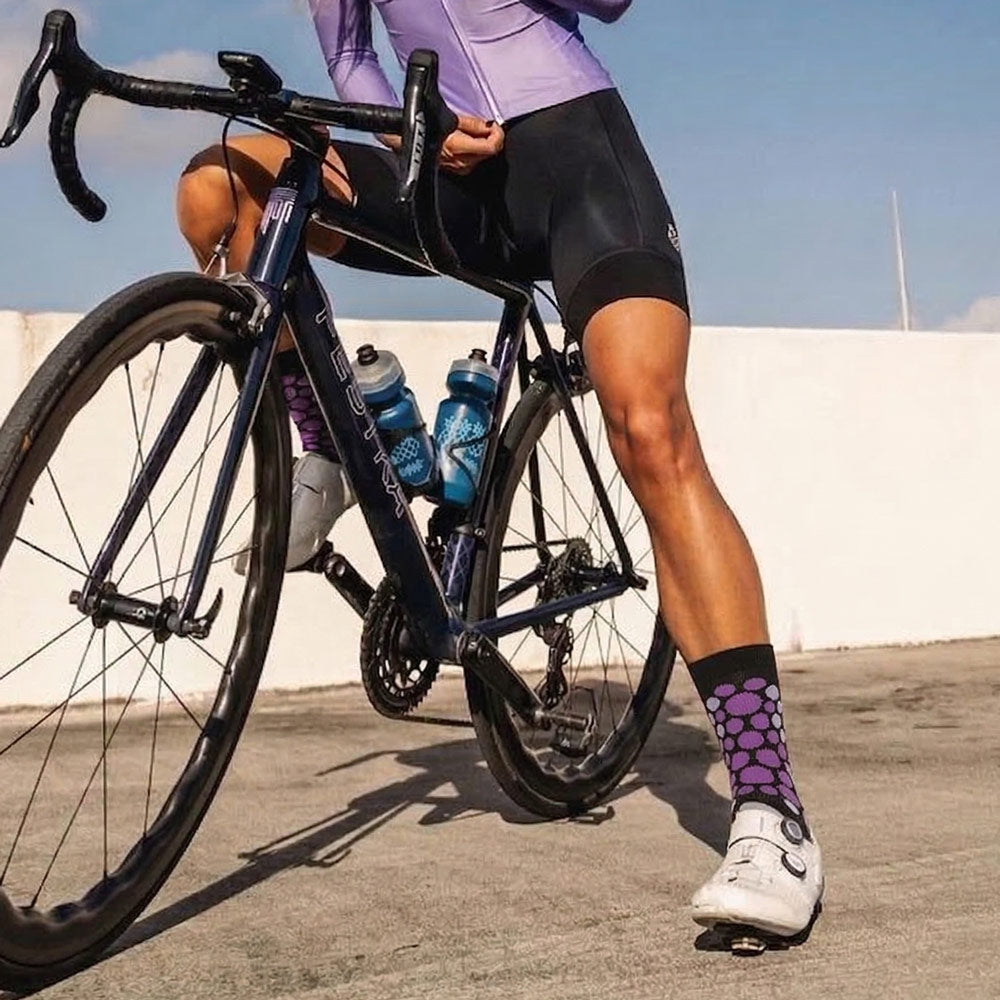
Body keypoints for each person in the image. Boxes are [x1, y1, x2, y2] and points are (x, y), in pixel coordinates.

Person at [175, 0, 823, 942]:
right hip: (438, 165)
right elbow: (348, 47)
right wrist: (411, 124)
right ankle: (325, 444)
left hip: (574, 158)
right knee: (220, 187)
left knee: (651, 431)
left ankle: (772, 815)